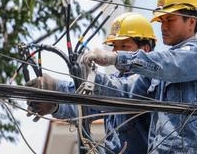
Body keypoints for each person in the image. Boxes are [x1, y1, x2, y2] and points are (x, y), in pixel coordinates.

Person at [81, 0, 197, 153]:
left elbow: (170, 64)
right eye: (162, 21)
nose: (163, 26)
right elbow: (126, 90)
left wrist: (118, 58)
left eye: (170, 20)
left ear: (191, 21)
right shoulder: (156, 71)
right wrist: (91, 80)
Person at [25, 12, 157, 154]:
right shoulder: (114, 80)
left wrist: (56, 86)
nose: (117, 52)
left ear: (145, 50)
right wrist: (55, 106)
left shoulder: (150, 81)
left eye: (124, 46)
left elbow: (119, 90)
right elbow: (85, 107)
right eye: (115, 47)